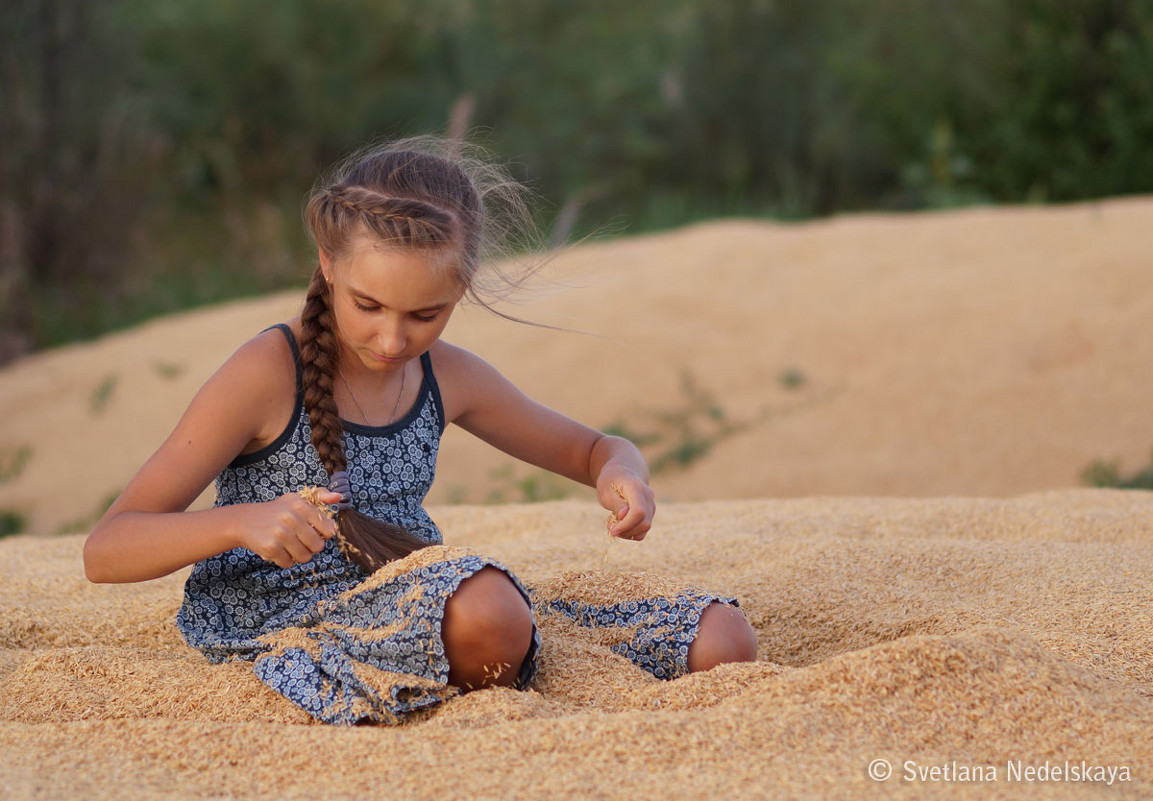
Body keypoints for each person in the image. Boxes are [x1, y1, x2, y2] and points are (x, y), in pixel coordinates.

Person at [83, 137, 757, 725]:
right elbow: (107, 548)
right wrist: (239, 523)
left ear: (460, 289)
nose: (392, 337)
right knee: (491, 612)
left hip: (422, 596)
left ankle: (497, 645)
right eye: (368, 305)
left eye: (425, 313)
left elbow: (594, 448)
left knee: (722, 638)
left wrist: (621, 477)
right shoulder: (267, 369)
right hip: (283, 619)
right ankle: (489, 644)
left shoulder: (447, 375)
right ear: (327, 264)